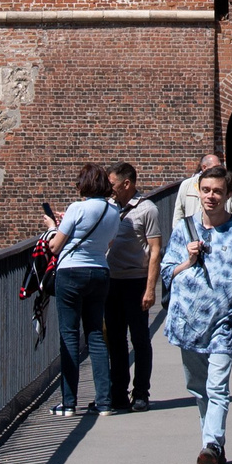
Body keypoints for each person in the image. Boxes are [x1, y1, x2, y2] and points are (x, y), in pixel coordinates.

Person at [159, 165, 232, 464]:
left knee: (216, 387)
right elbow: (166, 273)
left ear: (228, 194)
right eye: (206, 190)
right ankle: (213, 443)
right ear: (198, 192)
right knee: (198, 388)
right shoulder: (183, 230)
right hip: (187, 323)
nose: (211, 196)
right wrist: (187, 261)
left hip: (222, 324)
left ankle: (211, 447)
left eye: (217, 191)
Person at [46, 163, 125, 416]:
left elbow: (55, 247)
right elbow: (108, 242)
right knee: (95, 336)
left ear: (86, 184)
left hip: (70, 273)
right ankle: (104, 403)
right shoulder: (114, 211)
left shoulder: (76, 208)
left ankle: (69, 403)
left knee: (69, 336)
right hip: (100, 272)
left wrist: (51, 226)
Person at [102, 162, 160, 412]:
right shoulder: (109, 209)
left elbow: (156, 250)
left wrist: (150, 289)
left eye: (112, 184)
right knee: (115, 340)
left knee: (139, 339)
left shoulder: (147, 209)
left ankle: (141, 393)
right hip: (112, 281)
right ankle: (118, 393)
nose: (109, 189)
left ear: (127, 184)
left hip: (136, 281)